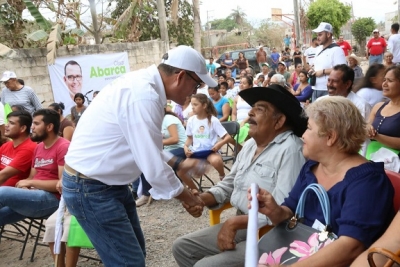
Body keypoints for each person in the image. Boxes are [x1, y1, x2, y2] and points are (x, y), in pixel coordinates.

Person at [61, 45, 216, 267]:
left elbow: (144, 144)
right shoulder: (144, 96)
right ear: (181, 76)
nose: (195, 91)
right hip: (91, 188)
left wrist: (177, 162)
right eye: (197, 84)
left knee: (133, 256)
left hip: (105, 185)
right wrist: (188, 198)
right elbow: (152, 166)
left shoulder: (145, 86)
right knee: (129, 262)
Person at [172, 84, 307, 267]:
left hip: (273, 232)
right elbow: (229, 183)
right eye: (252, 108)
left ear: (279, 121)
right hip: (244, 223)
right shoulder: (252, 144)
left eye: (259, 109)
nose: (250, 113)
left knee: (205, 266)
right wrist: (201, 199)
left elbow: (284, 209)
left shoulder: (291, 150)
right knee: (182, 247)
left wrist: (234, 223)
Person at [251, 97, 394, 267]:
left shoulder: (369, 182)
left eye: (309, 128)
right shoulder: (312, 167)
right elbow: (289, 213)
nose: (302, 135)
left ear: (330, 137)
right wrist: (274, 210)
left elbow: (350, 248)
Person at [0, 109, 69, 226]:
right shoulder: (39, 147)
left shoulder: (63, 147)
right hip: (33, 197)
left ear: (49, 127)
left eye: (36, 124)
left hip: (52, 199)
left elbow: (63, 185)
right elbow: (31, 178)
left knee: (2, 193)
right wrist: (27, 185)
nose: (32, 127)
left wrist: (31, 183)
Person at [184, 94, 232, 181]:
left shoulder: (213, 120)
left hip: (211, 152)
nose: (192, 107)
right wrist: (185, 147)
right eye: (192, 105)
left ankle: (222, 177)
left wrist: (219, 144)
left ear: (204, 105)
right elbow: (189, 138)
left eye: (195, 104)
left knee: (216, 161)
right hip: (196, 153)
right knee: (182, 169)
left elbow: (227, 137)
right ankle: (193, 190)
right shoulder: (191, 120)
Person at [309, 22, 346, 102]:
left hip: (329, 90)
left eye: (320, 35)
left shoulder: (337, 50)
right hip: (316, 88)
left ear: (328, 34)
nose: (317, 37)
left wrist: (323, 72)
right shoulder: (318, 49)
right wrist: (312, 70)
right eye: (317, 35)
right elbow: (316, 65)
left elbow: (342, 70)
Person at [367, 65, 400, 151]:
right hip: (372, 157)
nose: (384, 84)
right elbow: (368, 125)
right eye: (384, 80)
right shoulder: (378, 106)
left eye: (390, 80)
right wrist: (368, 129)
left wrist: (376, 136)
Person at [0, 110, 36, 187]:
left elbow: (4, 175)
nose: (6, 125)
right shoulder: (6, 145)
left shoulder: (29, 148)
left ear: (22, 128)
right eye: (7, 122)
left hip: (11, 192)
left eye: (11, 123)